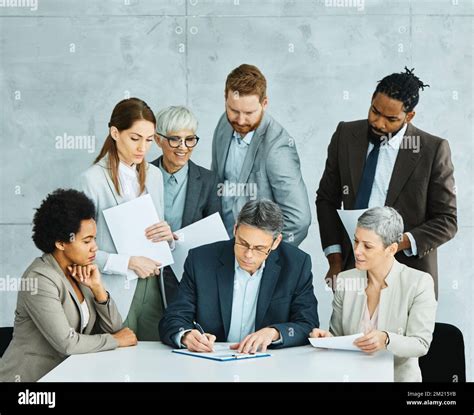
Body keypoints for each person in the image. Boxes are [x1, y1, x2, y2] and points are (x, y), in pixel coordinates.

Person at [316, 67, 457, 297]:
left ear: (409, 116)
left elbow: (447, 220)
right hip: (352, 268)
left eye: (391, 119)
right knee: (349, 332)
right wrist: (335, 260)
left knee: (395, 335)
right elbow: (326, 199)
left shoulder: (432, 149)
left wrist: (394, 244)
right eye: (375, 111)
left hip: (408, 276)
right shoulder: (345, 134)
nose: (379, 123)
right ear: (371, 100)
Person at [0, 189, 137, 382]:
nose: (95, 247)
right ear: (60, 243)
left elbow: (115, 327)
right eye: (87, 241)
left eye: (94, 239)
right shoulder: (40, 279)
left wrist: (98, 289)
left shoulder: (80, 271)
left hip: (68, 375)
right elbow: (67, 344)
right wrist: (116, 341)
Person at [159, 199, 319, 353]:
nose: (248, 255)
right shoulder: (200, 260)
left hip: (270, 363)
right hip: (210, 362)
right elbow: (174, 317)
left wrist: (274, 333)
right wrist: (186, 335)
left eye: (259, 248)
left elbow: (307, 324)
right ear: (235, 229)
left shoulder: (296, 264)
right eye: (242, 243)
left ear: (276, 242)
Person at [79, 98, 175, 340]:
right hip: (113, 290)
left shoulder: (154, 175)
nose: (143, 147)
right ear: (115, 132)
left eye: (150, 140)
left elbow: (156, 235)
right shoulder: (92, 180)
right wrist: (128, 263)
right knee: (118, 368)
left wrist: (168, 238)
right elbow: (79, 251)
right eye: (135, 138)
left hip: (153, 287)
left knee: (155, 365)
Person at [310, 207, 437, 382]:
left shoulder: (419, 282)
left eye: (367, 246)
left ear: (391, 249)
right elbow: (339, 336)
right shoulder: (345, 280)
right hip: (350, 376)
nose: (357, 251)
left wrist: (386, 339)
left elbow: (420, 344)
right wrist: (328, 339)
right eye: (356, 241)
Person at [212, 64, 311, 246]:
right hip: (222, 245)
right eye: (234, 110)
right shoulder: (224, 124)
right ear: (225, 99)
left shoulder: (278, 147)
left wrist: (262, 253)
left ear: (264, 103)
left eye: (249, 113)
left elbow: (299, 220)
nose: (240, 120)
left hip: (252, 256)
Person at [151, 106, 222, 302]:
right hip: (147, 273)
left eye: (189, 139)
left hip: (188, 275)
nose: (183, 147)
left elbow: (214, 237)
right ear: (158, 140)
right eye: (175, 139)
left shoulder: (209, 180)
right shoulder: (141, 175)